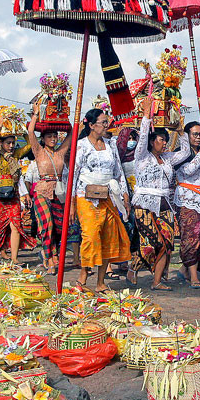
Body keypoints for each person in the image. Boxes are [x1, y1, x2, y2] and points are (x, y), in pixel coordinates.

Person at [69, 108, 131, 293]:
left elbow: (118, 172)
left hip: (108, 196)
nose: (107, 125)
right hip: (85, 196)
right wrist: (72, 204)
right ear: (91, 125)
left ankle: (101, 282)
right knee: (91, 234)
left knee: (108, 237)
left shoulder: (110, 145)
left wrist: (125, 195)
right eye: (103, 122)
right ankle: (83, 274)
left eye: (107, 122)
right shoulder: (81, 145)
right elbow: (73, 175)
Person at [127, 98, 179, 291]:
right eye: (161, 139)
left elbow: (183, 154)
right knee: (152, 242)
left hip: (165, 205)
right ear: (152, 141)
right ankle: (133, 267)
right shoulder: (141, 156)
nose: (164, 143)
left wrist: (179, 128)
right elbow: (141, 139)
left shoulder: (167, 159)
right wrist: (147, 115)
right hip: (144, 205)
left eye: (166, 139)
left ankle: (156, 282)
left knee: (166, 243)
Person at [27, 102, 72, 274]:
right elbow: (31, 132)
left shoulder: (60, 152)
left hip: (58, 192)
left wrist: (66, 116)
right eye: (49, 136)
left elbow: (71, 133)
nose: (53, 139)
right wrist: (36, 114)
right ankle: (48, 257)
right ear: (43, 139)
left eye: (55, 136)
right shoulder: (38, 152)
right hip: (42, 191)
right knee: (47, 224)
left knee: (60, 227)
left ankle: (53, 254)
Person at [172, 121, 200, 288]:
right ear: (187, 136)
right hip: (187, 200)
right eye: (195, 134)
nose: (198, 138)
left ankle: (185, 270)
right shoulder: (180, 153)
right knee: (191, 238)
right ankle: (193, 276)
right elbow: (188, 171)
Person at [0, 127, 33, 264]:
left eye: (13, 143)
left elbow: (30, 145)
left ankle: (14, 257)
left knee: (16, 225)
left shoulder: (16, 155)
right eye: (8, 143)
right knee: (0, 226)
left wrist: (23, 130)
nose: (11, 146)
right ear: (1, 143)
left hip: (13, 194)